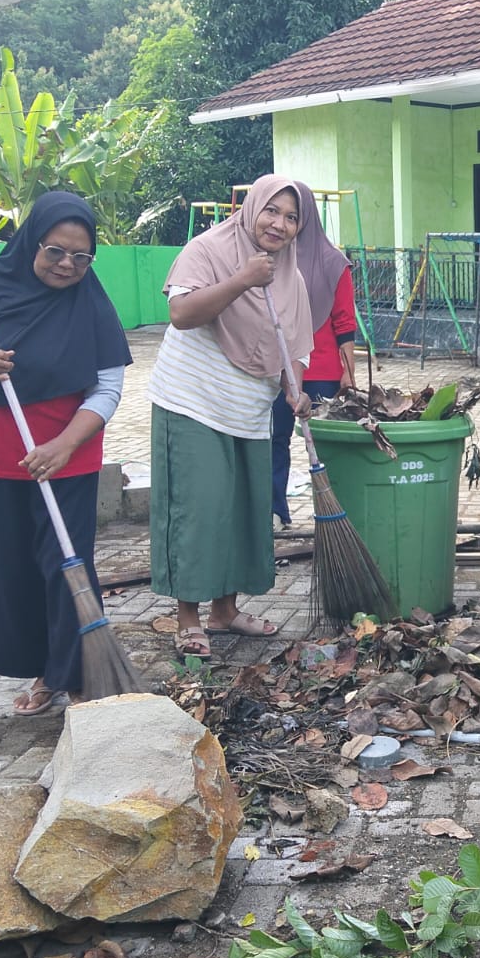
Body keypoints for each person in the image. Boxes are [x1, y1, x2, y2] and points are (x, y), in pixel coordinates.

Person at [0, 192, 132, 716]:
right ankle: (41, 670)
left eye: (81, 256)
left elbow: (108, 387)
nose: (67, 264)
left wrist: (65, 444)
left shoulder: (89, 299)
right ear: (32, 243)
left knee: (66, 566)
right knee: (11, 565)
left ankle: (73, 675)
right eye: (55, 252)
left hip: (69, 451)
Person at [150, 174, 315, 659]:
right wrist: (242, 278)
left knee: (242, 509)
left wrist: (296, 389)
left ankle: (226, 610)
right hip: (193, 398)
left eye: (291, 218)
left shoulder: (292, 275)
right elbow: (181, 313)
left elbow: (296, 345)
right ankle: (188, 618)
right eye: (272, 211)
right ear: (251, 208)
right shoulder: (207, 249)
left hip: (249, 409)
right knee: (199, 510)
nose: (279, 225)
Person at [270, 181, 357, 526]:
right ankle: (276, 510)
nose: (286, 223)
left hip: (322, 369)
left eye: (294, 215)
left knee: (326, 445)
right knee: (275, 440)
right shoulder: (272, 259)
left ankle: (335, 511)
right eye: (277, 213)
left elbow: (344, 320)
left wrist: (348, 370)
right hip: (279, 370)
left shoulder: (334, 262)